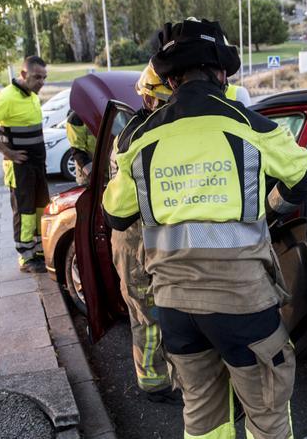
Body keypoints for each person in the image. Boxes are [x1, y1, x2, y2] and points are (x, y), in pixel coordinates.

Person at [103, 18, 307, 439]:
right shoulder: (251, 126)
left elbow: (115, 214)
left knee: (203, 415)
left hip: (174, 307)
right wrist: (271, 209)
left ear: (170, 77)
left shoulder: (139, 138)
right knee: (267, 413)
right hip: (243, 304)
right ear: (222, 73)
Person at [108, 62, 175, 402]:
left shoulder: (149, 129)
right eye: (166, 101)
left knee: (164, 310)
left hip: (156, 235)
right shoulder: (135, 137)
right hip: (135, 238)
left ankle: (169, 377)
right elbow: (119, 211)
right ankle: (154, 383)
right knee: (147, 313)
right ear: (150, 99)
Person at [0, 56, 49, 274]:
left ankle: (39, 251)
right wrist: (6, 152)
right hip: (20, 168)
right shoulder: (7, 97)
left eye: (44, 78)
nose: (41, 82)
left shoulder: (32, 96)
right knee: (24, 211)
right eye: (37, 77)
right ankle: (26, 258)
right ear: (23, 74)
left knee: (40, 208)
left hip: (37, 165)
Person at [65, 110, 96, 186]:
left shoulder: (106, 111)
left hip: (111, 173)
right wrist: (92, 173)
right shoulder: (75, 118)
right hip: (89, 177)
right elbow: (77, 150)